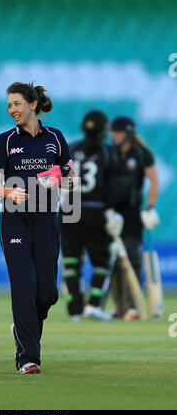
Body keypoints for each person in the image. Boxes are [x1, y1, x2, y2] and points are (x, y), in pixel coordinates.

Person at [0, 82, 74, 374]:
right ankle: (28, 357)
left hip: (46, 218)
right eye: (9, 105)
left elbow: (71, 178)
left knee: (47, 293)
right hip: (15, 219)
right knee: (24, 287)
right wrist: (9, 193)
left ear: (33, 104)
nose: (12, 109)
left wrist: (58, 177)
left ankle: (22, 331)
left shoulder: (56, 138)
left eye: (17, 103)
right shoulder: (4, 141)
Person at [60, 110, 123, 322]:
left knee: (71, 262)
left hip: (69, 206)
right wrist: (111, 211)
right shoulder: (108, 151)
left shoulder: (72, 147)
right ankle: (93, 305)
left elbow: (58, 177)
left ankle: (74, 311)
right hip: (95, 208)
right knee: (104, 260)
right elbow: (111, 184)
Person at [110, 116, 159, 320]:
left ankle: (133, 306)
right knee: (113, 261)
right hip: (111, 214)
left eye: (119, 133)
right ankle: (120, 307)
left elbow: (154, 181)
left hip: (131, 214)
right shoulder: (109, 153)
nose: (115, 137)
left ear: (128, 133)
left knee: (133, 258)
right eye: (113, 133)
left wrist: (149, 208)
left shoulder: (141, 153)